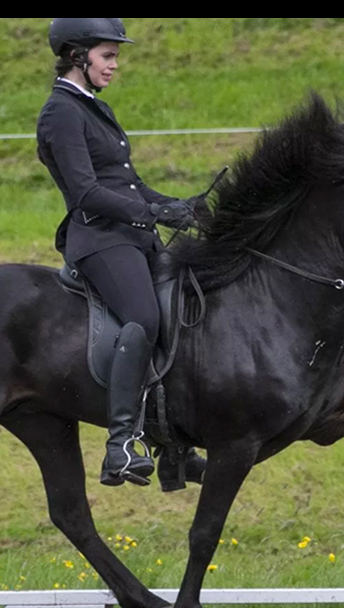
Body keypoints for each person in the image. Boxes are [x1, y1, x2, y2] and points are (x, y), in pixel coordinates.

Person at [36, 18, 205, 488]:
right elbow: (87, 192)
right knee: (144, 318)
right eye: (107, 56)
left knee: (186, 307)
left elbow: (126, 182)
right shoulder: (61, 113)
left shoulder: (93, 108)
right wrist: (151, 211)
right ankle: (121, 444)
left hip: (132, 236)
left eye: (115, 57)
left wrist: (176, 206)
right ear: (78, 57)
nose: (114, 65)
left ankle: (174, 446)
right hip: (100, 239)